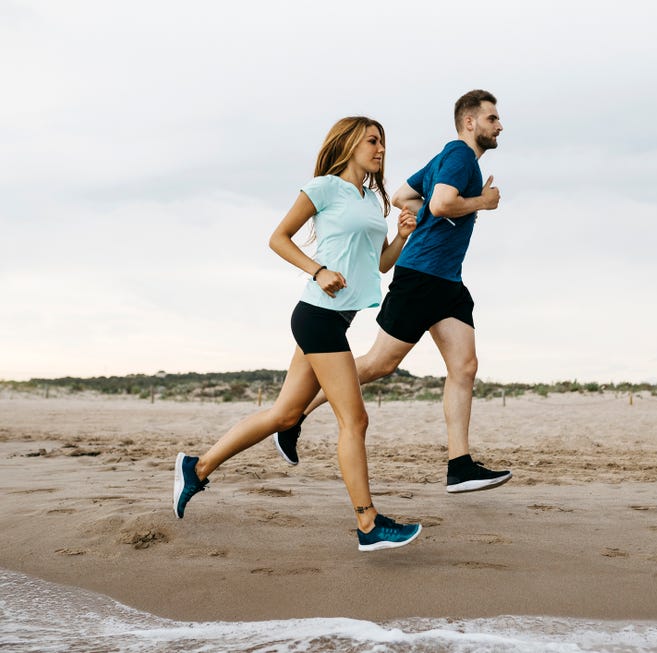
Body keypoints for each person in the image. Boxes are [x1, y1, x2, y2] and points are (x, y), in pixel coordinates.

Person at [173, 116, 422, 552]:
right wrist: (318, 269)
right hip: (317, 316)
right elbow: (278, 238)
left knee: (286, 415)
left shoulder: (371, 199)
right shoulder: (324, 188)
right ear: (348, 144)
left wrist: (400, 237)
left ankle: (195, 469)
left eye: (383, 142)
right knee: (355, 419)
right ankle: (368, 525)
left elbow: (378, 265)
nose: (380, 149)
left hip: (335, 318)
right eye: (372, 141)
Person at [274, 90, 511, 495]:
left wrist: (424, 217)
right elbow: (439, 205)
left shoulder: (445, 159)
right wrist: (482, 203)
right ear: (470, 123)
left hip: (447, 280)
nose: (499, 125)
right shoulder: (458, 155)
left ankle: (460, 466)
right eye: (491, 118)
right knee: (379, 364)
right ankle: (294, 417)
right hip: (421, 276)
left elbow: (403, 196)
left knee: (465, 366)